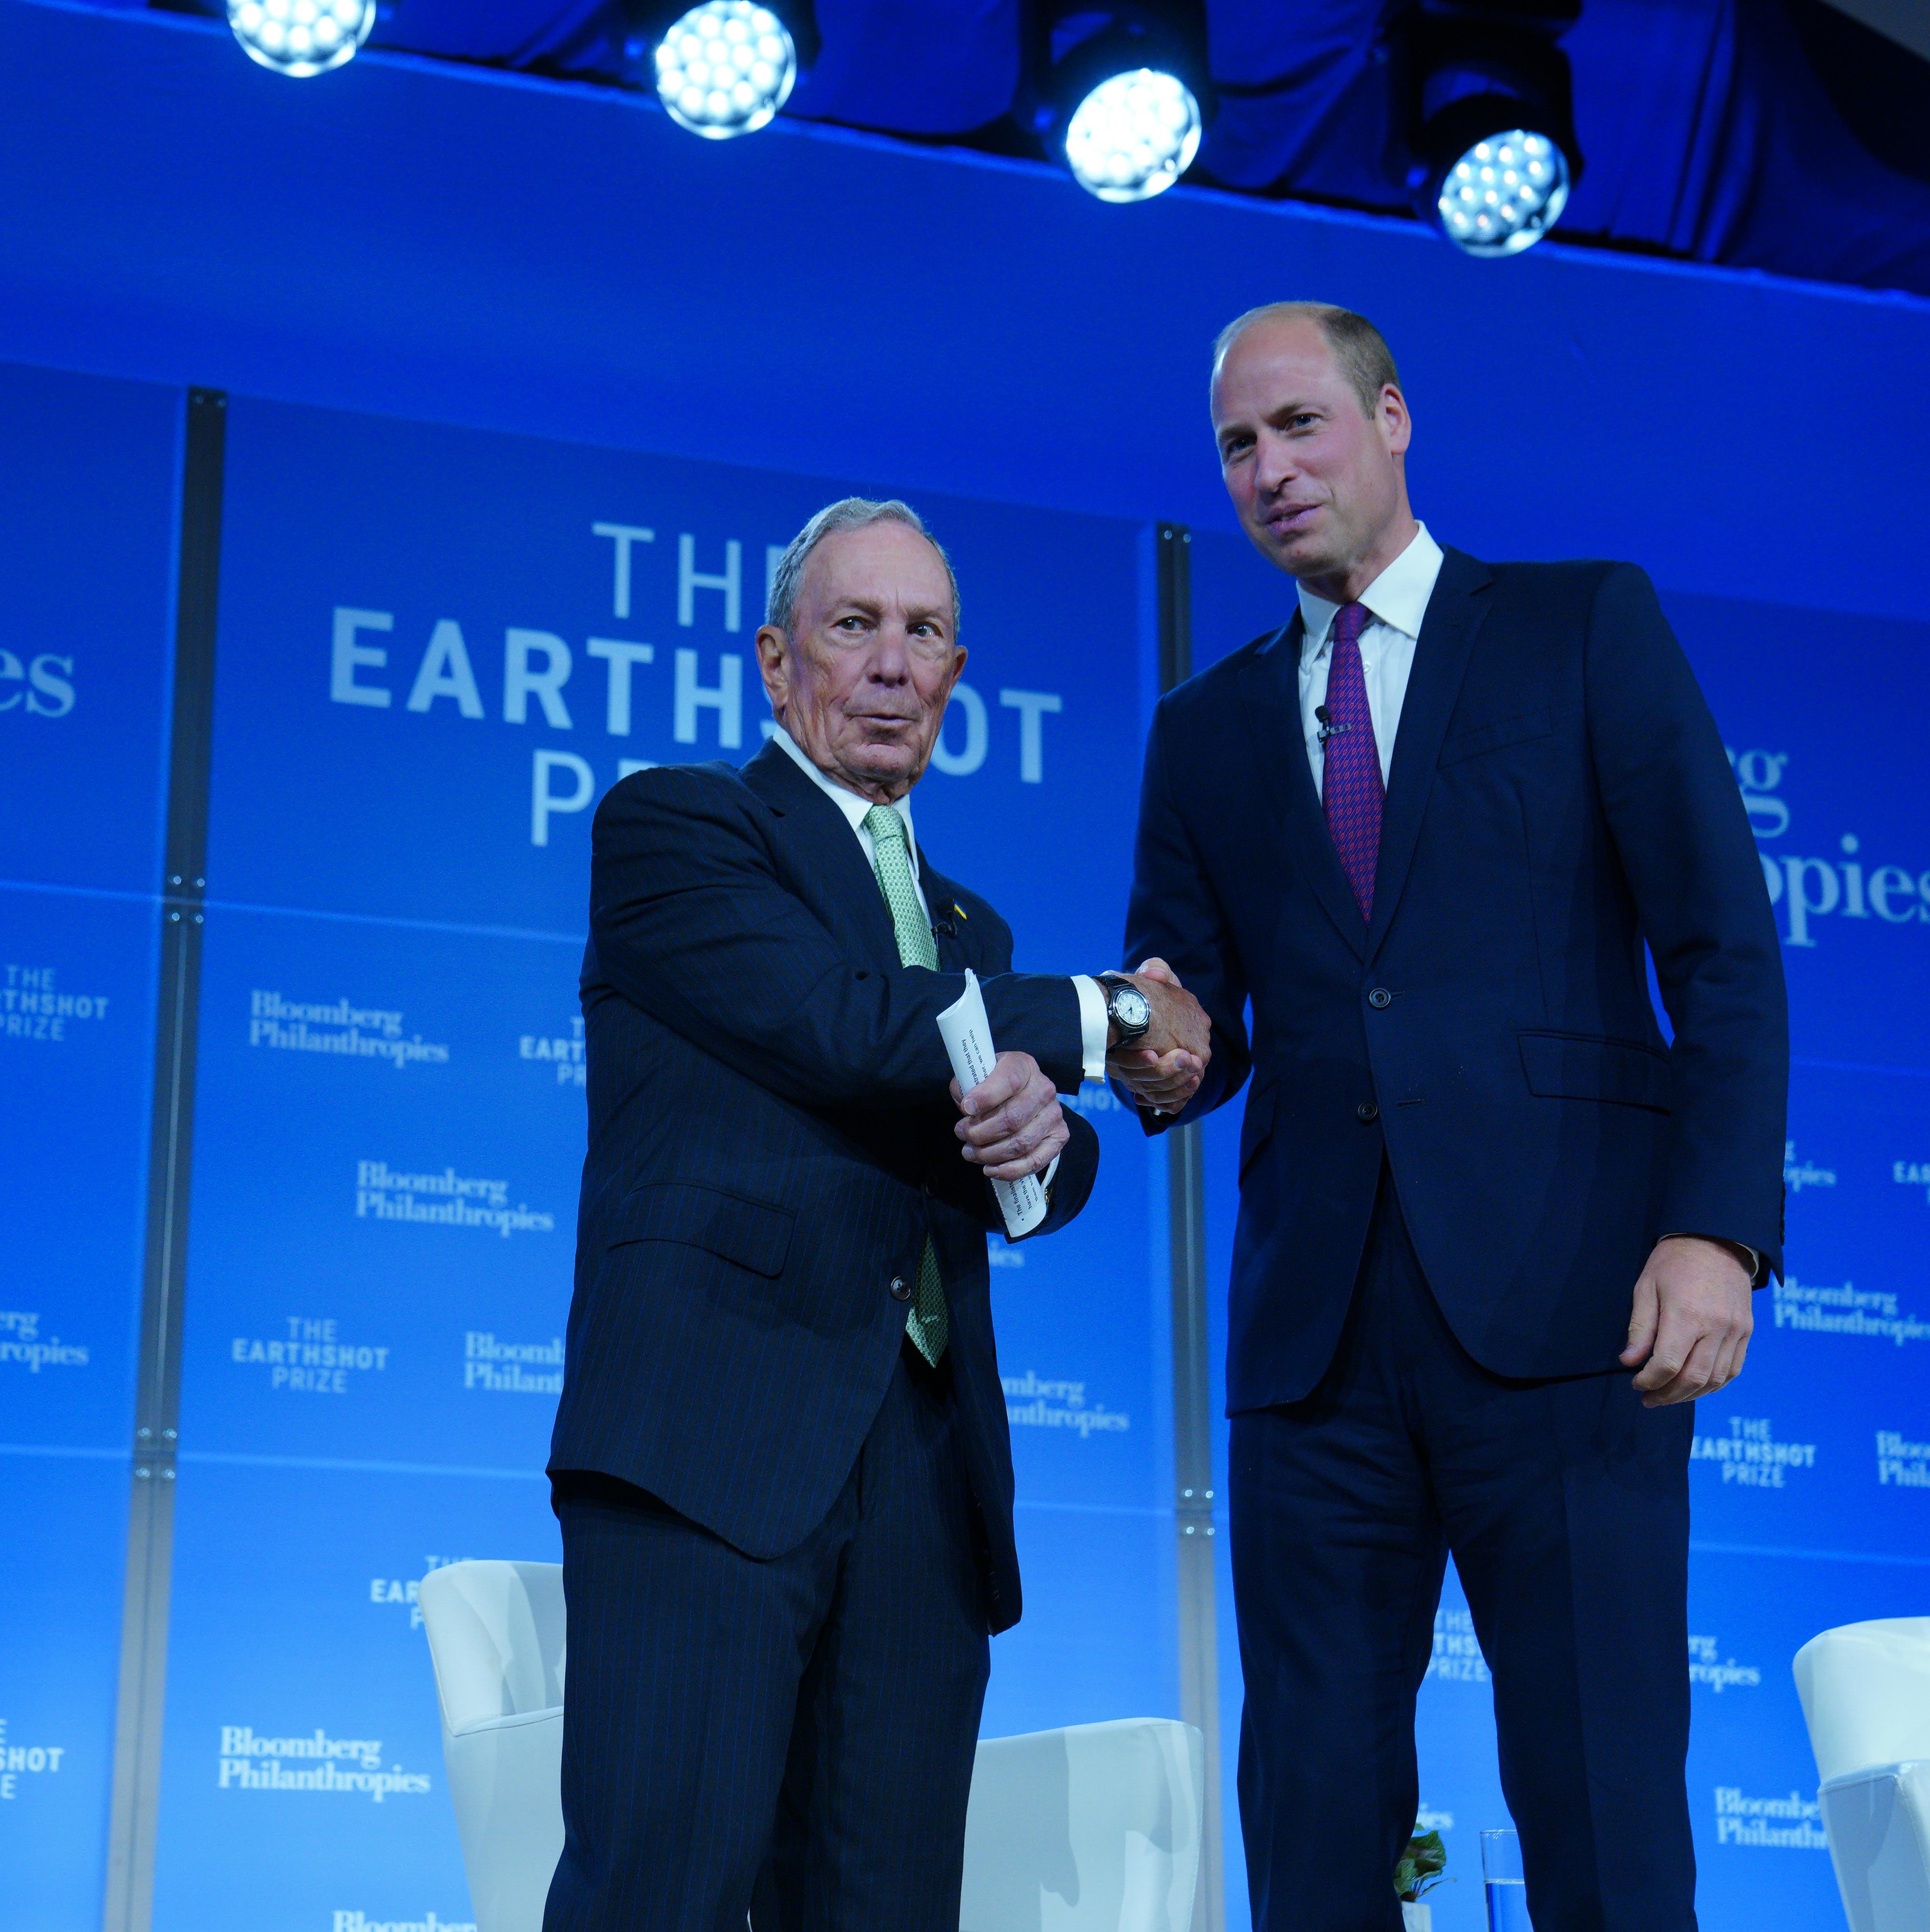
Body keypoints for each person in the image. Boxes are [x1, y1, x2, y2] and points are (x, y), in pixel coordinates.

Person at [1116, 304, 1789, 1930]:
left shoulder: (1578, 629)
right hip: (1317, 1347)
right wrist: (1151, 1047)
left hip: (1575, 1316)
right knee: (1315, 1812)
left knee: (1601, 1795)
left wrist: (1716, 1236)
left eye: (1300, 427)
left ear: (1393, 418)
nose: (1270, 472)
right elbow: (1192, 1020)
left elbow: (1721, 944)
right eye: (1237, 446)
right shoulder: (1203, 731)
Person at [544, 497, 1209, 1932]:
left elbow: (1002, 1131)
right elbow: (840, 1025)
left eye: (924, 636)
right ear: (779, 665)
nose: (894, 665)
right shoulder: (678, 829)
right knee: (656, 1899)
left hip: (924, 1477)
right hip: (710, 1450)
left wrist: (1042, 1144)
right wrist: (1126, 1011)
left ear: (958, 680)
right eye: (856, 628)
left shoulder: (970, 937)